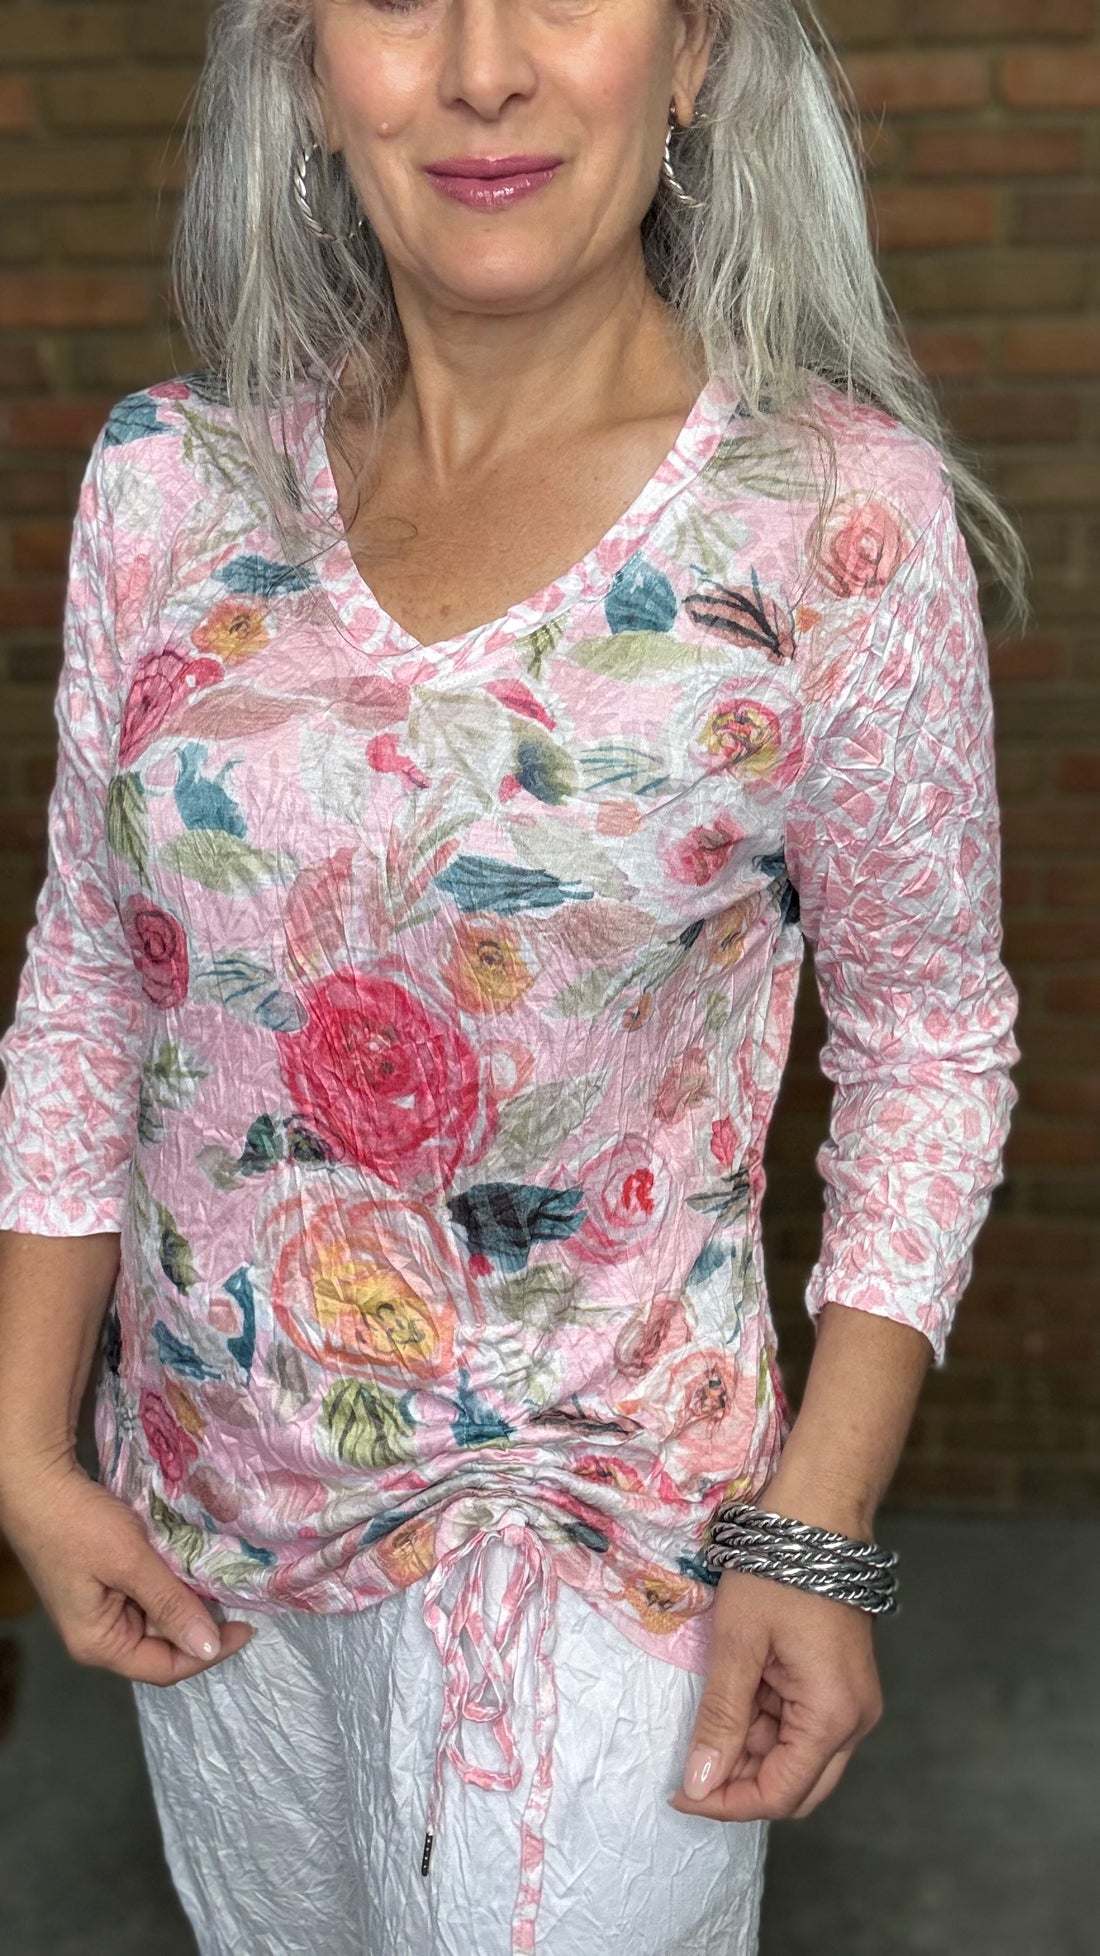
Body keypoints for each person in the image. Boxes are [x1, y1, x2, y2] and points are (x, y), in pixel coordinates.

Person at [0, 1, 1023, 1951]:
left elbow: (927, 1044)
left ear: (700, 49)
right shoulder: (169, 487)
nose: (481, 68)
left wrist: (818, 1528)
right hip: (205, 1534)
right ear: (304, 64)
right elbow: (88, 979)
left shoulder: (827, 525)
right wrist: (27, 1452)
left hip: (606, 1559)